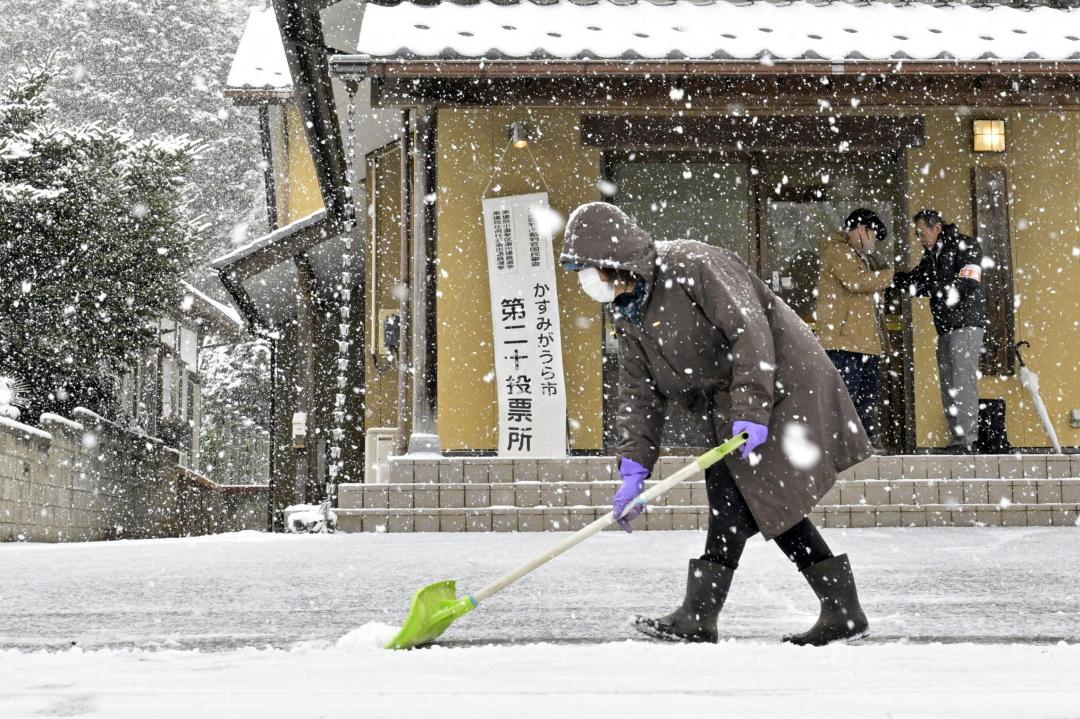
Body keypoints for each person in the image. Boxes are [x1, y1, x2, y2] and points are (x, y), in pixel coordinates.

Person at [560, 202, 872, 646]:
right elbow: (638, 393)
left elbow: (750, 331)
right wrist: (634, 466)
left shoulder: (694, 264)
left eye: (591, 271)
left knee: (745, 494)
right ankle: (836, 609)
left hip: (782, 384)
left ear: (615, 261)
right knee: (756, 498)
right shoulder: (629, 312)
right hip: (736, 400)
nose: (589, 283)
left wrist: (750, 409)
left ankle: (702, 615)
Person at [893, 209, 987, 454]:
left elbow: (968, 283)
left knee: (962, 382)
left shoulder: (965, 245)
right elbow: (918, 281)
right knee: (949, 385)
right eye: (917, 234)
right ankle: (958, 440)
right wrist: (892, 279)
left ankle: (966, 441)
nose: (920, 238)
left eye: (922, 232)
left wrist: (934, 287)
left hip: (965, 325)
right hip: (945, 328)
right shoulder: (932, 255)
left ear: (936, 227)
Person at [816, 209, 894, 449]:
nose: (873, 243)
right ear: (862, 230)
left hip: (862, 342)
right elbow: (857, 282)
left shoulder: (859, 257)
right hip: (844, 341)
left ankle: (864, 444)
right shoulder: (838, 252)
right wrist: (892, 276)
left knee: (866, 397)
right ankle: (844, 445)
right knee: (847, 396)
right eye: (873, 236)